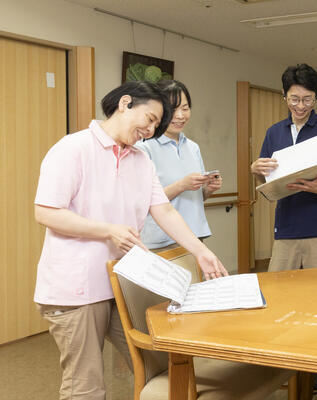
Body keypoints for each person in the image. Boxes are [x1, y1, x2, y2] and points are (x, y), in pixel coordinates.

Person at [34, 81, 228, 400]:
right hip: (76, 288)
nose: (151, 130)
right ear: (125, 103)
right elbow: (46, 212)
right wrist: (108, 230)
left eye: (156, 125)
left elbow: (163, 210)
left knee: (159, 365)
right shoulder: (73, 148)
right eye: (149, 119)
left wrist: (201, 251)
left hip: (122, 282)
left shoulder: (140, 160)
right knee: (86, 386)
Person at [250, 63, 317, 393]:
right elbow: (266, 176)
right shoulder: (274, 132)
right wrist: (255, 168)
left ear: (316, 98)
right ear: (285, 97)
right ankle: (285, 361)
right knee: (280, 299)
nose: (300, 107)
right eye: (294, 99)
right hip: (288, 228)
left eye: (308, 100)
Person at [136, 80, 222, 249]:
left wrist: (207, 190)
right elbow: (143, 203)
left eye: (185, 108)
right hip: (162, 240)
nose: (181, 116)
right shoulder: (144, 148)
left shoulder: (193, 147)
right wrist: (182, 185)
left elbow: (194, 199)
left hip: (195, 237)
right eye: (173, 109)